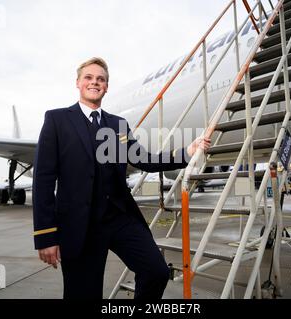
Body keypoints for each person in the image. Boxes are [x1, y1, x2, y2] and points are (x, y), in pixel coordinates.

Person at [33, 57, 211, 300]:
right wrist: (45, 235)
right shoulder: (57, 120)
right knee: (83, 293)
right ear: (78, 83)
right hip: (80, 224)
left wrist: (186, 153)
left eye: (101, 79)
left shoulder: (118, 125)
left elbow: (145, 159)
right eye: (89, 77)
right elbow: (43, 180)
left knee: (156, 271)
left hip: (119, 218)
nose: (95, 82)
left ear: (106, 86)